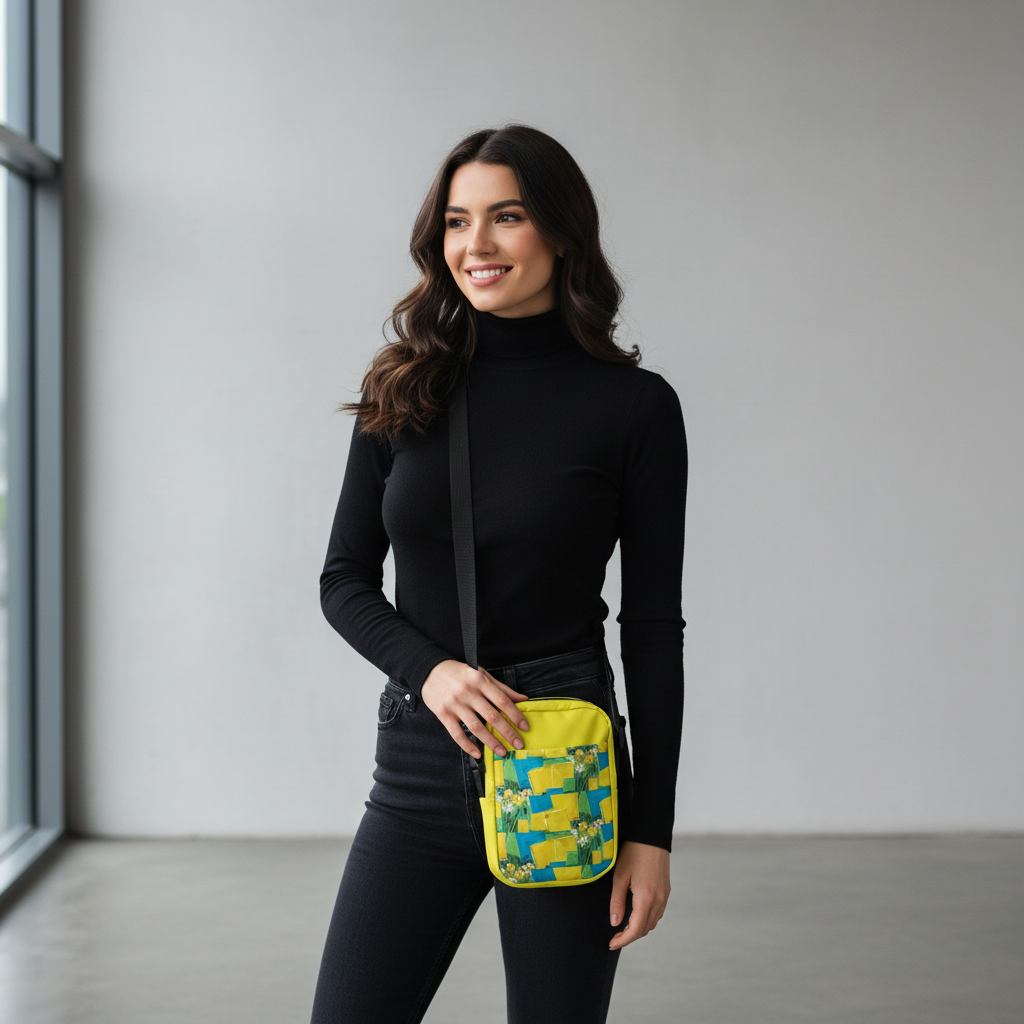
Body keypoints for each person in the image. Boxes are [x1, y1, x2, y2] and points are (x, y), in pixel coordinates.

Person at [310, 124, 687, 1024]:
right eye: (456, 221)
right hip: (419, 763)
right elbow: (343, 579)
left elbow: (651, 630)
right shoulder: (405, 387)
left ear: (561, 232)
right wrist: (431, 670)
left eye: (506, 217)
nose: (475, 244)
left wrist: (651, 833)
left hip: (565, 762)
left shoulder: (635, 408)